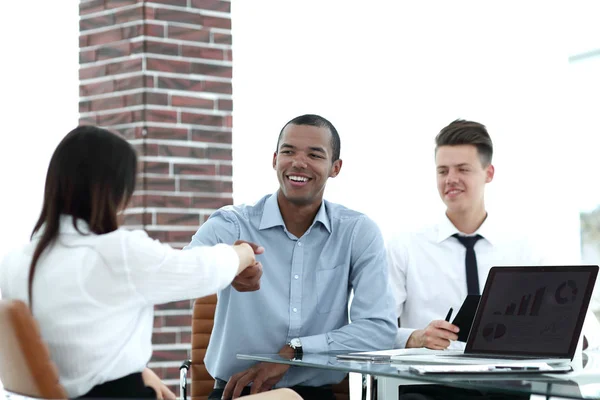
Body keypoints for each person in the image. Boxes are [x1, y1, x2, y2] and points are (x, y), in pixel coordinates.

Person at [0, 126, 260, 399]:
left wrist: (141, 371)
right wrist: (242, 253)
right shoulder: (116, 253)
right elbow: (201, 270)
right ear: (117, 191)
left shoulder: (14, 264)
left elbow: (73, 351)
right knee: (288, 396)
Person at [186, 114, 397, 400]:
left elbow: (379, 329)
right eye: (288, 151)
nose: (298, 162)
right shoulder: (232, 224)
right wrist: (229, 263)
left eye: (314, 154)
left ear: (335, 168)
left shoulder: (357, 232)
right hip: (236, 393)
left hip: (315, 394)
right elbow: (186, 271)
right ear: (274, 160)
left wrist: (294, 352)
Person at [387, 119, 599, 399]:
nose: (451, 179)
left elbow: (585, 328)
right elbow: (377, 328)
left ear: (489, 173)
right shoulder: (405, 246)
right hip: (428, 387)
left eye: (463, 169)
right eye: (443, 170)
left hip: (507, 387)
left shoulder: (525, 247)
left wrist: (557, 337)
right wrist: (416, 338)